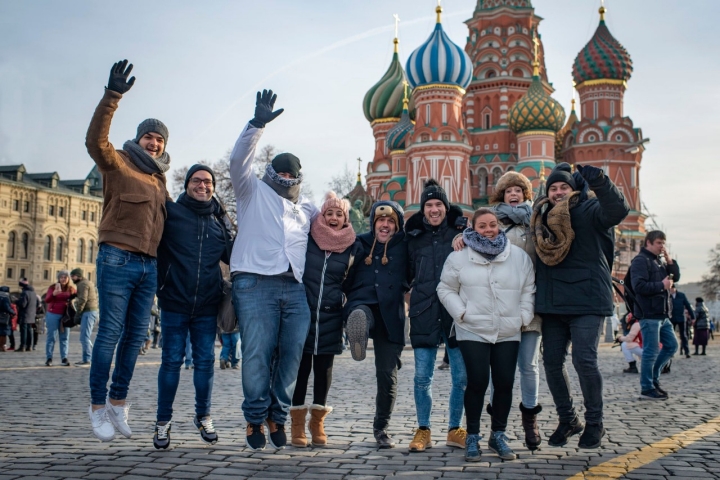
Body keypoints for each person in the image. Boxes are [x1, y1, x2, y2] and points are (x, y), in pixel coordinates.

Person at [86, 60, 171, 442]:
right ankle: (97, 408)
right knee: (109, 334)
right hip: (117, 257)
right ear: (138, 139)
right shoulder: (118, 163)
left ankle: (118, 404)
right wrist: (112, 97)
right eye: (149, 137)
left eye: (160, 140)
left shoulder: (158, 179)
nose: (154, 143)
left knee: (136, 337)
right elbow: (95, 142)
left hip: (148, 265)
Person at [229, 90, 318, 451]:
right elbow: (238, 160)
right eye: (279, 171)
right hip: (254, 282)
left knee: (292, 354)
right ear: (270, 173)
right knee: (257, 353)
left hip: (293, 287)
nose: (284, 176)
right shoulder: (251, 190)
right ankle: (254, 419)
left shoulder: (305, 209)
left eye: (291, 173)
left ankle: (276, 415)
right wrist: (256, 125)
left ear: (298, 177)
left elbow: (337, 221)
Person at [531, 162, 629, 449]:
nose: (558, 192)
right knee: (551, 363)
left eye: (564, 187)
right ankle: (568, 419)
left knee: (584, 360)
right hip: (552, 303)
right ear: (547, 192)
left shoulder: (590, 211)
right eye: (553, 188)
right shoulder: (540, 217)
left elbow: (618, 210)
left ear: (574, 190)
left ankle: (595, 423)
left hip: (586, 299)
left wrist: (600, 181)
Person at [438, 208, 535, 462]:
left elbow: (528, 289)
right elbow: (445, 288)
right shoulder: (459, 256)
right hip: (472, 329)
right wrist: (461, 313)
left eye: (492, 225)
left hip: (508, 329)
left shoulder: (518, 256)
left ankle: (498, 435)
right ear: (473, 227)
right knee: (478, 382)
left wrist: (523, 316)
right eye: (482, 226)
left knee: (504, 383)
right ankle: (472, 436)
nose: (489, 230)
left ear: (499, 225)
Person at [153, 164, 232, 450]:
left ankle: (204, 416)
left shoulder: (218, 221)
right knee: (171, 362)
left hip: (207, 304)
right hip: (174, 301)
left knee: (205, 363)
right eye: (197, 180)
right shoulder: (171, 213)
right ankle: (163, 422)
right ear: (187, 184)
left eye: (208, 181)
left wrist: (227, 218)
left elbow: (234, 254)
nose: (203, 185)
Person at [290, 192, 358, 448]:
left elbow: (352, 282)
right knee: (300, 370)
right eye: (329, 213)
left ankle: (316, 422)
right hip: (303, 314)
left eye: (339, 214)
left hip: (331, 317)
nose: (333, 217)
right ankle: (297, 423)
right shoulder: (308, 239)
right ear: (321, 215)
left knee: (323, 370)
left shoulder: (352, 245)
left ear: (345, 219)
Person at [404, 180, 468, 453]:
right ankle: (423, 429)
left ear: (446, 207)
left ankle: (455, 429)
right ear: (423, 208)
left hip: (456, 314)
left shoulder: (461, 233)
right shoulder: (413, 237)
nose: (433, 209)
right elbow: (405, 275)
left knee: (461, 378)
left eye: (438, 204)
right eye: (429, 205)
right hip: (423, 311)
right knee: (422, 377)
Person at [345, 201, 409, 448]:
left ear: (397, 225)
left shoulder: (404, 246)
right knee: (361, 314)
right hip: (362, 303)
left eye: (391, 221)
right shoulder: (359, 243)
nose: (385, 225)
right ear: (373, 223)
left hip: (391, 314)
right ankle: (357, 331)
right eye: (381, 220)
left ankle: (381, 427)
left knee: (387, 376)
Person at [489, 171, 544, 451]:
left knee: (529, 364)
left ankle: (530, 419)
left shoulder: (535, 221)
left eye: (518, 190)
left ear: (525, 195)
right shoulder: (492, 222)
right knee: (498, 368)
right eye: (509, 190)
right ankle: (496, 426)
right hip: (499, 303)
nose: (514, 194)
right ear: (502, 194)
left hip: (529, 301)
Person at [630, 230, 680, 401]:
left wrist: (670, 261)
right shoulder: (640, 261)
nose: (662, 246)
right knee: (650, 351)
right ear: (649, 243)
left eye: (663, 243)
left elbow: (676, 277)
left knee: (671, 346)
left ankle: (654, 379)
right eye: (659, 243)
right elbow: (639, 286)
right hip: (649, 313)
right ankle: (647, 387)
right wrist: (661, 285)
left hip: (662, 314)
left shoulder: (658, 261)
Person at [44, 271, 77, 367]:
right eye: (61, 277)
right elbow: (47, 300)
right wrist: (53, 294)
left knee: (64, 338)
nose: (63, 279)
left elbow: (77, 297)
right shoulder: (52, 287)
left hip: (65, 316)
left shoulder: (71, 289)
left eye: (65, 277)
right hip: (53, 314)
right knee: (51, 337)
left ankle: (64, 358)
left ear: (68, 279)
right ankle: (49, 358)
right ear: (58, 278)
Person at [70, 268, 98, 366]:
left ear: (78, 276)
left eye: (73, 276)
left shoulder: (82, 284)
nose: (72, 278)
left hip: (88, 312)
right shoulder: (85, 283)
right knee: (85, 337)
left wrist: (78, 313)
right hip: (90, 312)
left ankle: (87, 359)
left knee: (84, 337)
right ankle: (90, 357)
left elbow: (83, 299)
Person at [15, 278, 39, 354]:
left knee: (23, 331)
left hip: (24, 315)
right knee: (29, 331)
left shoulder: (25, 293)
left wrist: (16, 301)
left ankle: (23, 346)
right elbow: (38, 304)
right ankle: (29, 346)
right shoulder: (34, 293)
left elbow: (23, 304)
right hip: (31, 315)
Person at [670, 286, 694, 358]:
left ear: (674, 289)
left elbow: (688, 306)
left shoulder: (681, 295)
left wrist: (693, 317)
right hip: (672, 318)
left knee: (683, 335)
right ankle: (671, 352)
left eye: (671, 289)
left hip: (681, 318)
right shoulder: (668, 295)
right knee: (671, 335)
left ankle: (687, 352)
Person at [0, 286, 14, 351]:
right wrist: (13, 312)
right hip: (4, 317)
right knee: (3, 333)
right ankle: (2, 346)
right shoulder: (5, 298)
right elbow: (7, 307)